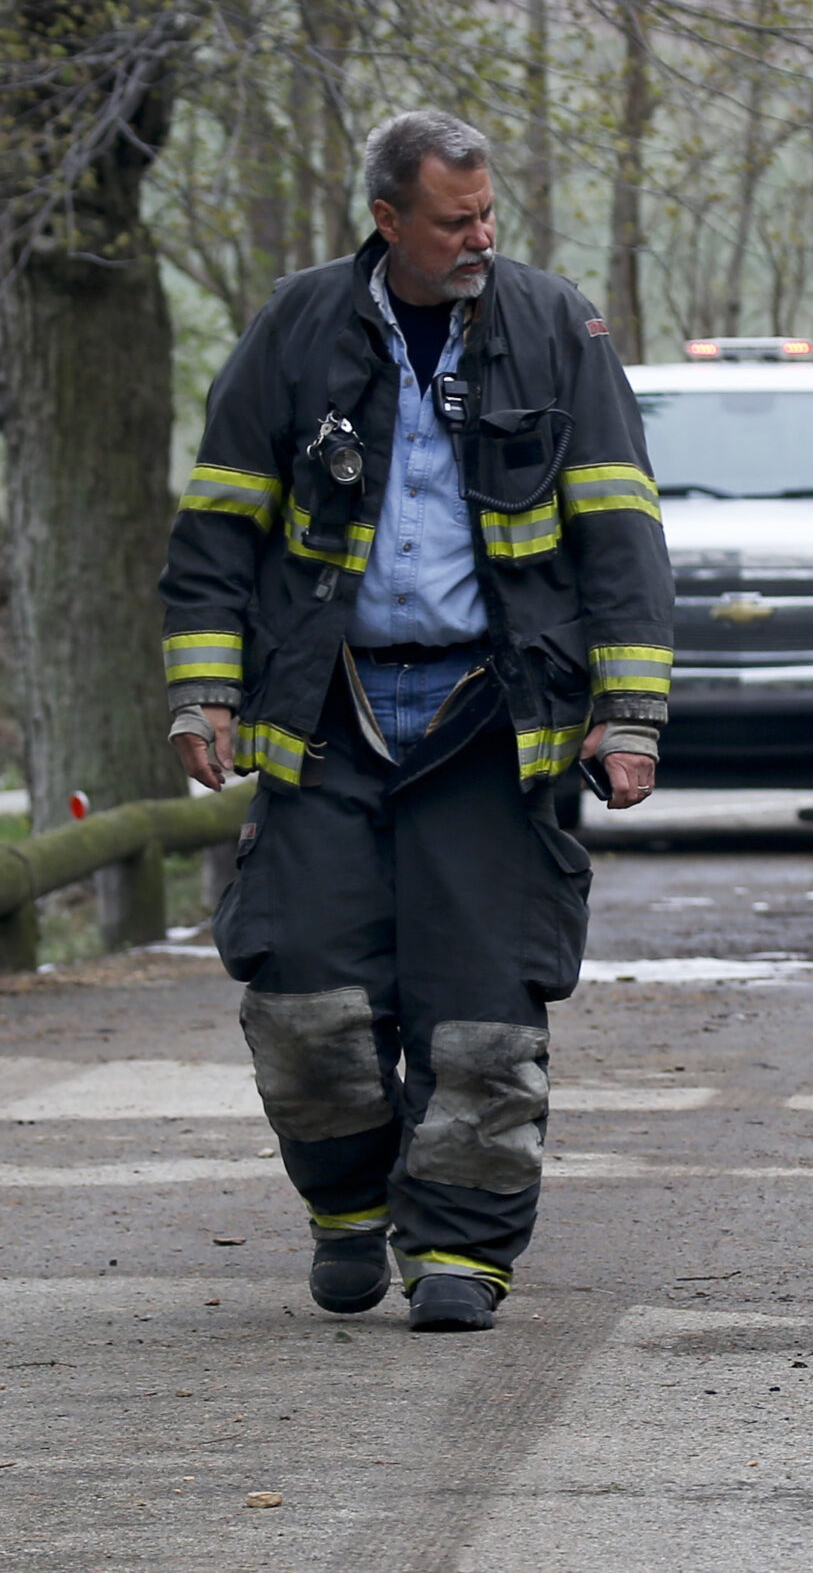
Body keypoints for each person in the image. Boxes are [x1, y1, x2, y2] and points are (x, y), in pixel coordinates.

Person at [158, 110, 674, 1333]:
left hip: (493, 716)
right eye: (455, 220)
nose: (480, 237)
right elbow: (219, 523)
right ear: (388, 219)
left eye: (489, 214)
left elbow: (622, 533)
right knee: (302, 998)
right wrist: (204, 688)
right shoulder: (298, 326)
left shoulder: (559, 328)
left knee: (484, 1013)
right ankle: (346, 1211)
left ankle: (463, 1252)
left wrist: (632, 714)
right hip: (326, 708)